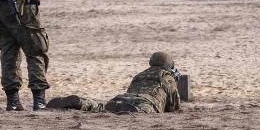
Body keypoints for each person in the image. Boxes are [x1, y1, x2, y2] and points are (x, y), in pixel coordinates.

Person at [47, 52, 181, 114]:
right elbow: (173, 106)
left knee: (102, 107)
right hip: (146, 102)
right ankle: (132, 111)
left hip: (125, 98)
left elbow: (131, 90)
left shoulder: (139, 75)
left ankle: (82, 103)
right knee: (143, 112)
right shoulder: (167, 77)